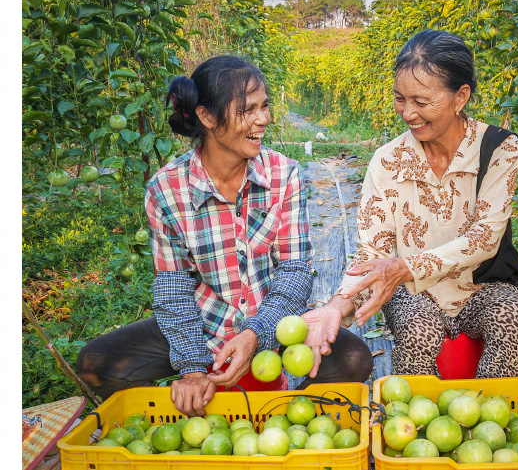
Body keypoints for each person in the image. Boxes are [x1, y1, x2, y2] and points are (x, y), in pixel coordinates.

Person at [76, 54, 372, 415]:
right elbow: (173, 287)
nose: (263, 119)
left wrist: (255, 335)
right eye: (248, 110)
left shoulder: (283, 174)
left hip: (272, 318)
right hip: (205, 321)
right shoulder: (167, 190)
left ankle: (291, 415)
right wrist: (192, 367)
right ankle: (173, 412)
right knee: (97, 362)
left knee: (353, 359)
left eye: (264, 106)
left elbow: (294, 271)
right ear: (206, 116)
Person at [304, 30, 518, 380]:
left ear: (460, 97)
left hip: (481, 285)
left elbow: (485, 237)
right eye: (400, 99)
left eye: (422, 101)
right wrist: (338, 304)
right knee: (417, 330)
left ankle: (495, 406)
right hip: (415, 292)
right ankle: (411, 409)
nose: (408, 113)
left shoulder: (497, 149)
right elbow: (373, 251)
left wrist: (406, 266)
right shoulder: (387, 161)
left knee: (510, 318)